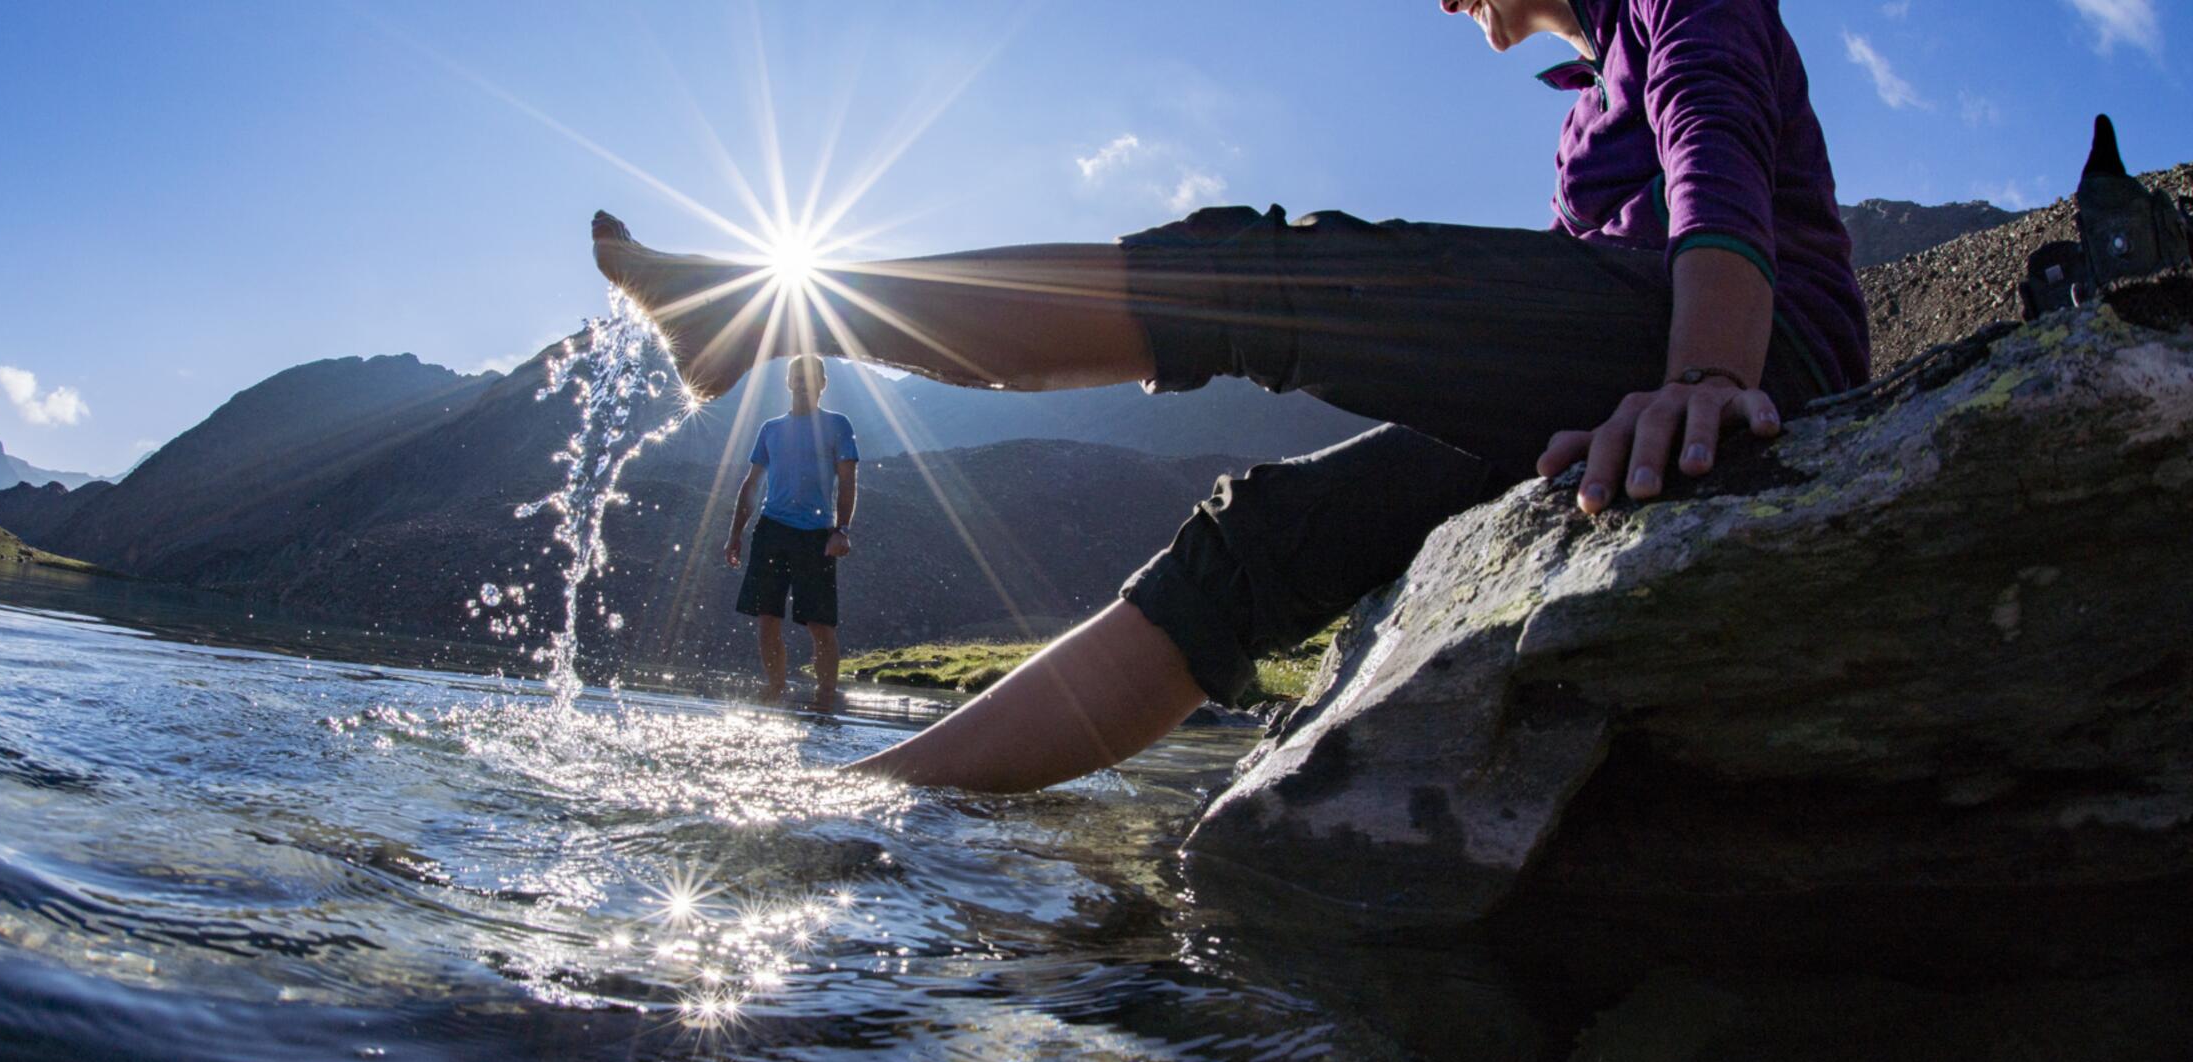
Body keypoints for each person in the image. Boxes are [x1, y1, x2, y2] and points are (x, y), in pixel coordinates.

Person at [596, 0, 1866, 789]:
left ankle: (770, 308)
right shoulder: (1587, 105)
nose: (1436, 0)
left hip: (1751, 359)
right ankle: (869, 798)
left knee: (1265, 277)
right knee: (1259, 533)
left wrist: (1705, 374)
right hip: (1641, 364)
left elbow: (1714, 156)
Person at [728, 354, 859, 709]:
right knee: (767, 618)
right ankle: (775, 690)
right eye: (796, 377)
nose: (802, 382)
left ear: (822, 384)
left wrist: (842, 530)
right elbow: (751, 484)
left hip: (816, 535)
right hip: (771, 529)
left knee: (819, 624)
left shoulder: (838, 425)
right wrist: (735, 533)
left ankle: (825, 697)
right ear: (788, 383)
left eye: (810, 377)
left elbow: (848, 481)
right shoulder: (770, 428)